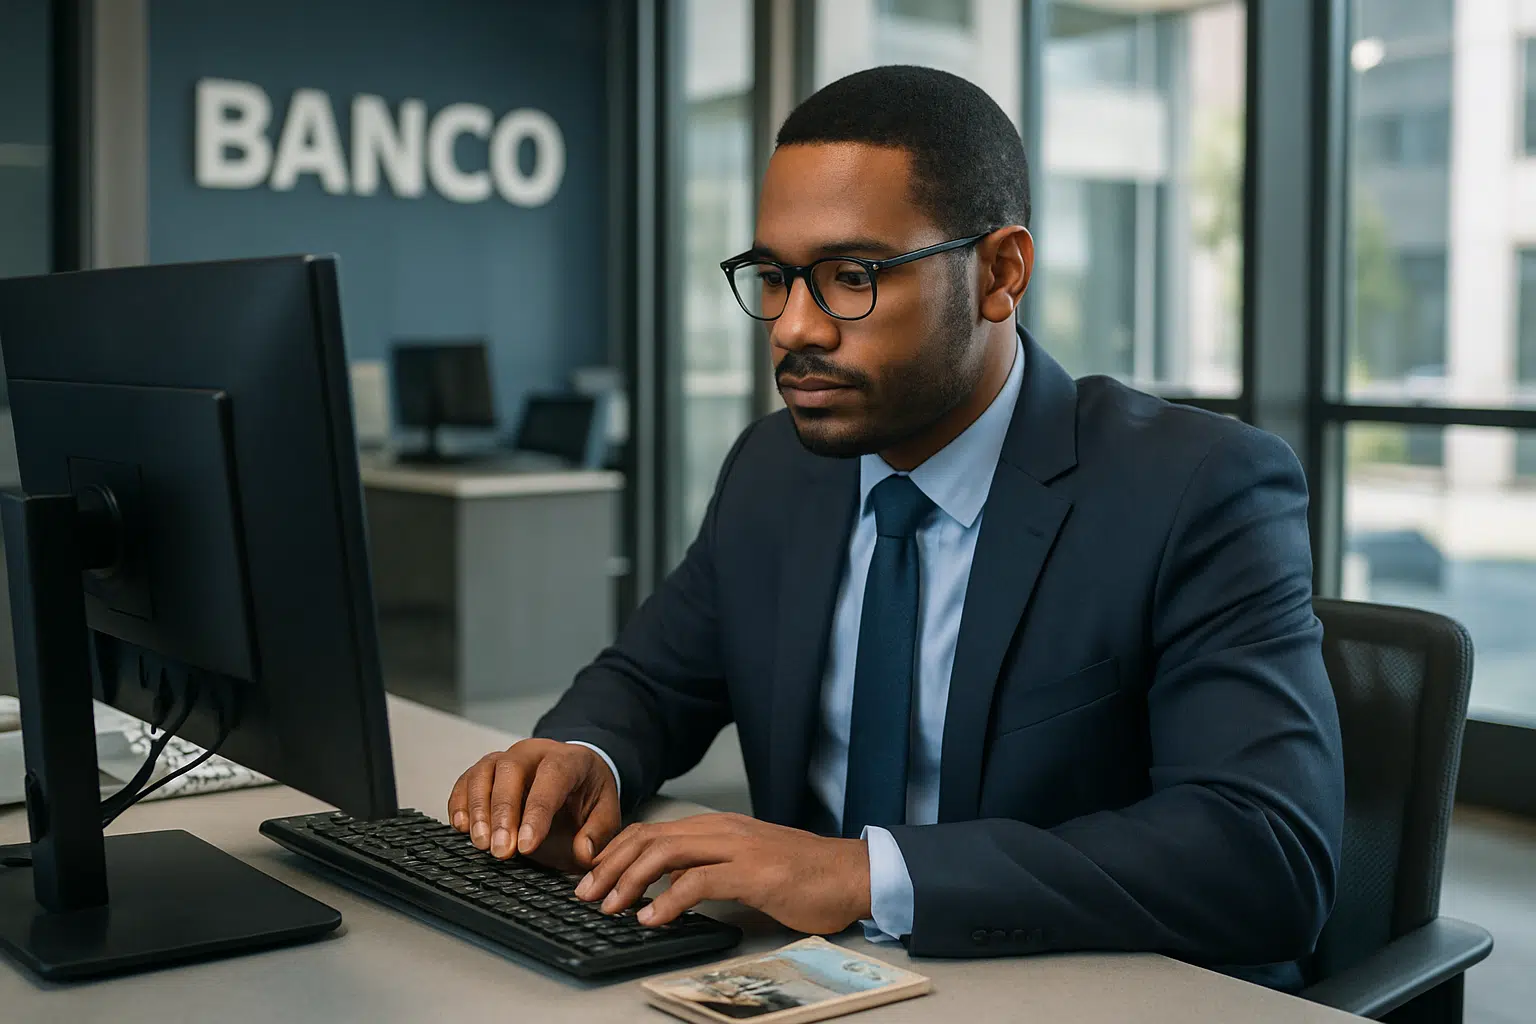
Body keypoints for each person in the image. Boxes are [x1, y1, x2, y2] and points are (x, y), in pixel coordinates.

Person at [448, 64, 1344, 990]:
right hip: (807, 981)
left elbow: (1265, 850)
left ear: (1000, 273)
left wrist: (858, 874)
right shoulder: (776, 468)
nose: (794, 328)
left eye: (852, 277)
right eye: (774, 277)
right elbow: (652, 679)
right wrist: (577, 758)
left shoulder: (1195, 488)